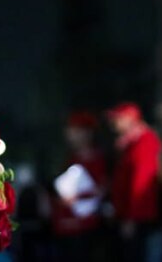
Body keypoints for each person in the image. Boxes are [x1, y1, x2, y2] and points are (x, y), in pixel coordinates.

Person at [106, 102, 162, 262]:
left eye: (118, 119)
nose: (115, 124)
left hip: (141, 218)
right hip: (133, 216)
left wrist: (132, 218)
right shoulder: (128, 144)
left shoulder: (144, 142)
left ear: (129, 119)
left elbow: (141, 184)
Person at [51, 110, 109, 261]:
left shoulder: (98, 160)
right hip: (66, 228)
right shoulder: (71, 158)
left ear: (87, 133)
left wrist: (76, 197)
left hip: (86, 228)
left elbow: (101, 190)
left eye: (75, 130)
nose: (70, 135)